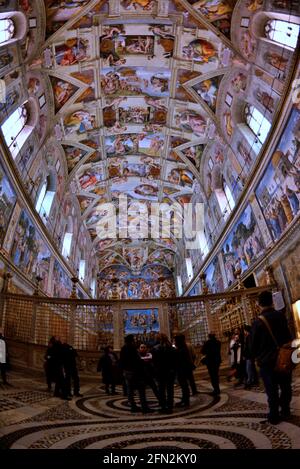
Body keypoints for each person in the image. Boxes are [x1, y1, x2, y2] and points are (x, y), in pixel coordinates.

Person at [251, 290, 293, 424]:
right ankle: (285, 410)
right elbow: (288, 337)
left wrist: (255, 356)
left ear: (258, 304)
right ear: (272, 301)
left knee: (271, 389)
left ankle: (274, 415)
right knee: (286, 386)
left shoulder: (258, 322)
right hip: (283, 358)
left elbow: (253, 345)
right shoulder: (281, 316)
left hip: (267, 362)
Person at [119, 335, 151, 413]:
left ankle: (133, 407)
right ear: (131, 340)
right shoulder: (132, 348)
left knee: (129, 390)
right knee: (141, 389)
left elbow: (122, 360)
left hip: (127, 371)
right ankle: (144, 407)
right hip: (135, 372)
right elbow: (137, 360)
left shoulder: (123, 348)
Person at [152, 333, 176, 414]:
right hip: (170, 372)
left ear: (158, 339)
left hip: (160, 372)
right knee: (170, 389)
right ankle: (170, 406)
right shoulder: (171, 347)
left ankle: (163, 406)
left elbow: (154, 362)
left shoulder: (155, 349)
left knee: (161, 390)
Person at [174, 335, 194, 408]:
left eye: (175, 341)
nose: (174, 342)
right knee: (184, 386)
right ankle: (184, 400)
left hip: (182, 370)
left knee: (184, 386)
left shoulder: (181, 350)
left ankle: (186, 401)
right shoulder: (182, 348)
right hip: (183, 370)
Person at [243, 325, 258, 389]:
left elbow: (249, 348)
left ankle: (249, 382)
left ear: (246, 330)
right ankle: (254, 381)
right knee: (252, 369)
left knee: (249, 370)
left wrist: (246, 355)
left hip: (249, 356)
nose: (244, 332)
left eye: (244, 330)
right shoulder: (249, 336)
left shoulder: (248, 337)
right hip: (250, 356)